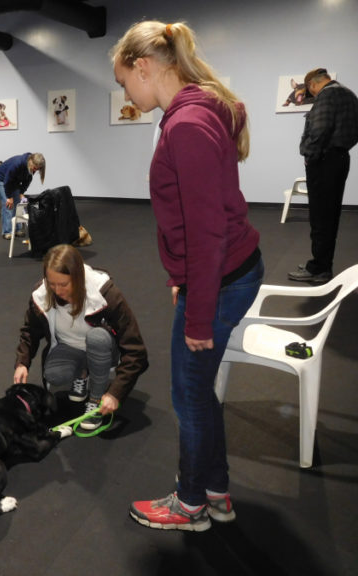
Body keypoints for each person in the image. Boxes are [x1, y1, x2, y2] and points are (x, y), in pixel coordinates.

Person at [111, 21, 264, 531]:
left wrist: (198, 316)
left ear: (144, 67)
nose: (126, 94)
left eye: (123, 82)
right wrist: (183, 276)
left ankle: (191, 502)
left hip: (221, 278)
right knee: (199, 392)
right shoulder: (196, 110)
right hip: (223, 273)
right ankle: (215, 491)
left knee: (188, 394)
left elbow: (207, 233)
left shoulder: (187, 125)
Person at [13, 244, 148, 430]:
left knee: (97, 338)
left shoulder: (106, 293)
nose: (57, 290)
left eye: (63, 284)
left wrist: (116, 392)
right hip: (71, 348)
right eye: (52, 284)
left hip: (104, 349)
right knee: (54, 373)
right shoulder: (41, 294)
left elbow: (136, 350)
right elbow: (30, 330)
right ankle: (82, 373)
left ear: (78, 278)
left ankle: (96, 398)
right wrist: (22, 362)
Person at [288, 68, 358, 283]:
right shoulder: (349, 94)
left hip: (324, 162)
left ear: (313, 85)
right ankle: (322, 264)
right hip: (339, 159)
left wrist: (310, 155)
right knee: (330, 215)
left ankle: (319, 268)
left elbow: (319, 129)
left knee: (320, 217)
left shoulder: (326, 96)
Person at [0, 152, 45, 239]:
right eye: (35, 168)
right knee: (9, 205)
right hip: (1, 180)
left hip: (14, 181)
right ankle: (7, 232)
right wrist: (9, 197)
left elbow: (27, 180)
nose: (35, 170)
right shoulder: (17, 164)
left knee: (18, 205)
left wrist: (21, 192)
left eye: (37, 169)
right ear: (31, 162)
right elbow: (7, 181)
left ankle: (17, 229)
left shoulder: (31, 166)